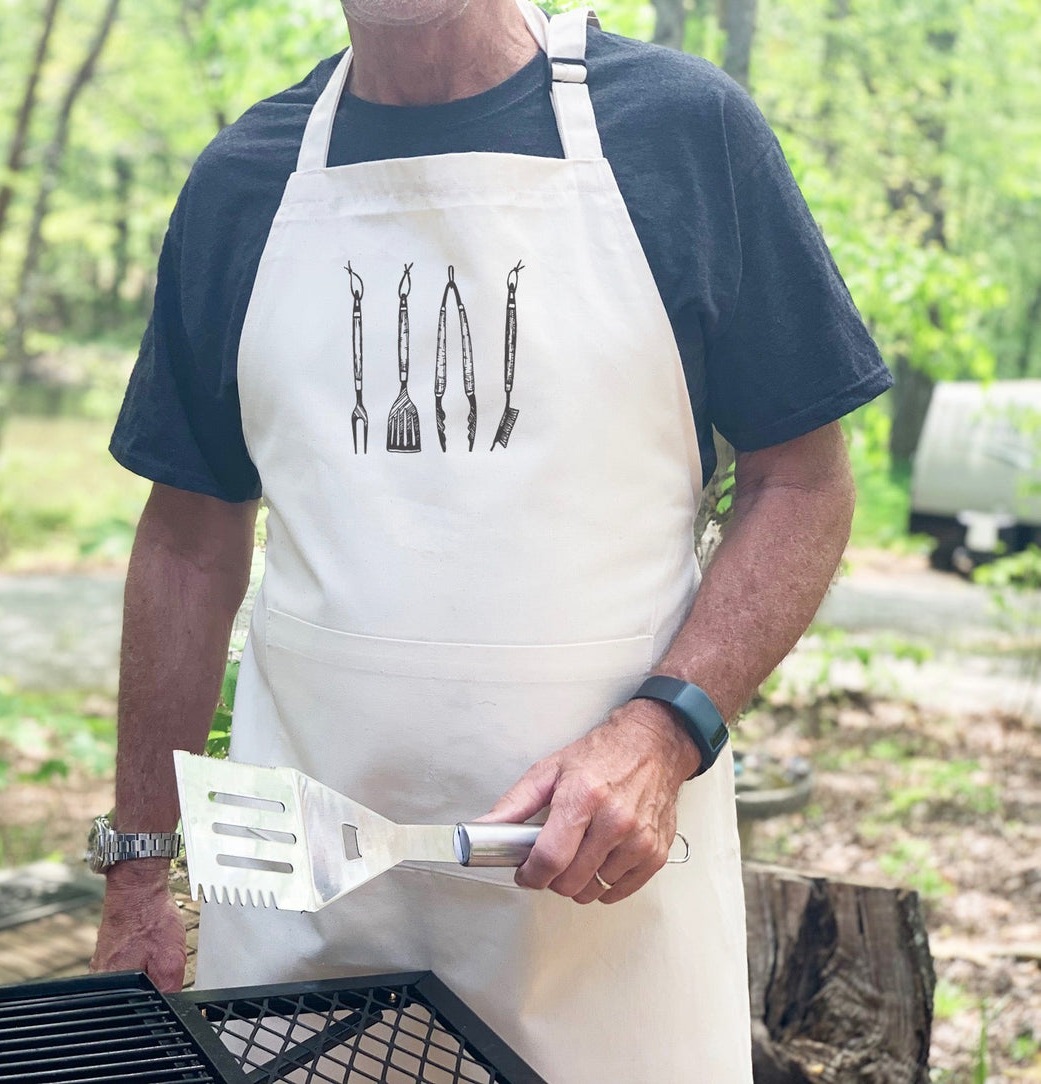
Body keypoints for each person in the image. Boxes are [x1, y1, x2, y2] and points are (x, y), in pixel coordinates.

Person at [90, 0, 892, 1079]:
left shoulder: (680, 133)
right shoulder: (244, 180)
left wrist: (664, 730)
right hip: (302, 919)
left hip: (603, 916)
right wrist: (137, 866)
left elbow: (801, 481)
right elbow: (187, 538)